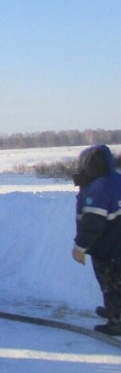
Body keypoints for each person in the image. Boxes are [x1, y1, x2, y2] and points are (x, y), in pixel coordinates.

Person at [71, 144, 121, 335]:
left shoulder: (98, 188)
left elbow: (93, 223)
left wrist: (80, 246)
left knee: (111, 285)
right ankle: (114, 310)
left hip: (108, 249)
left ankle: (116, 321)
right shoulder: (117, 180)